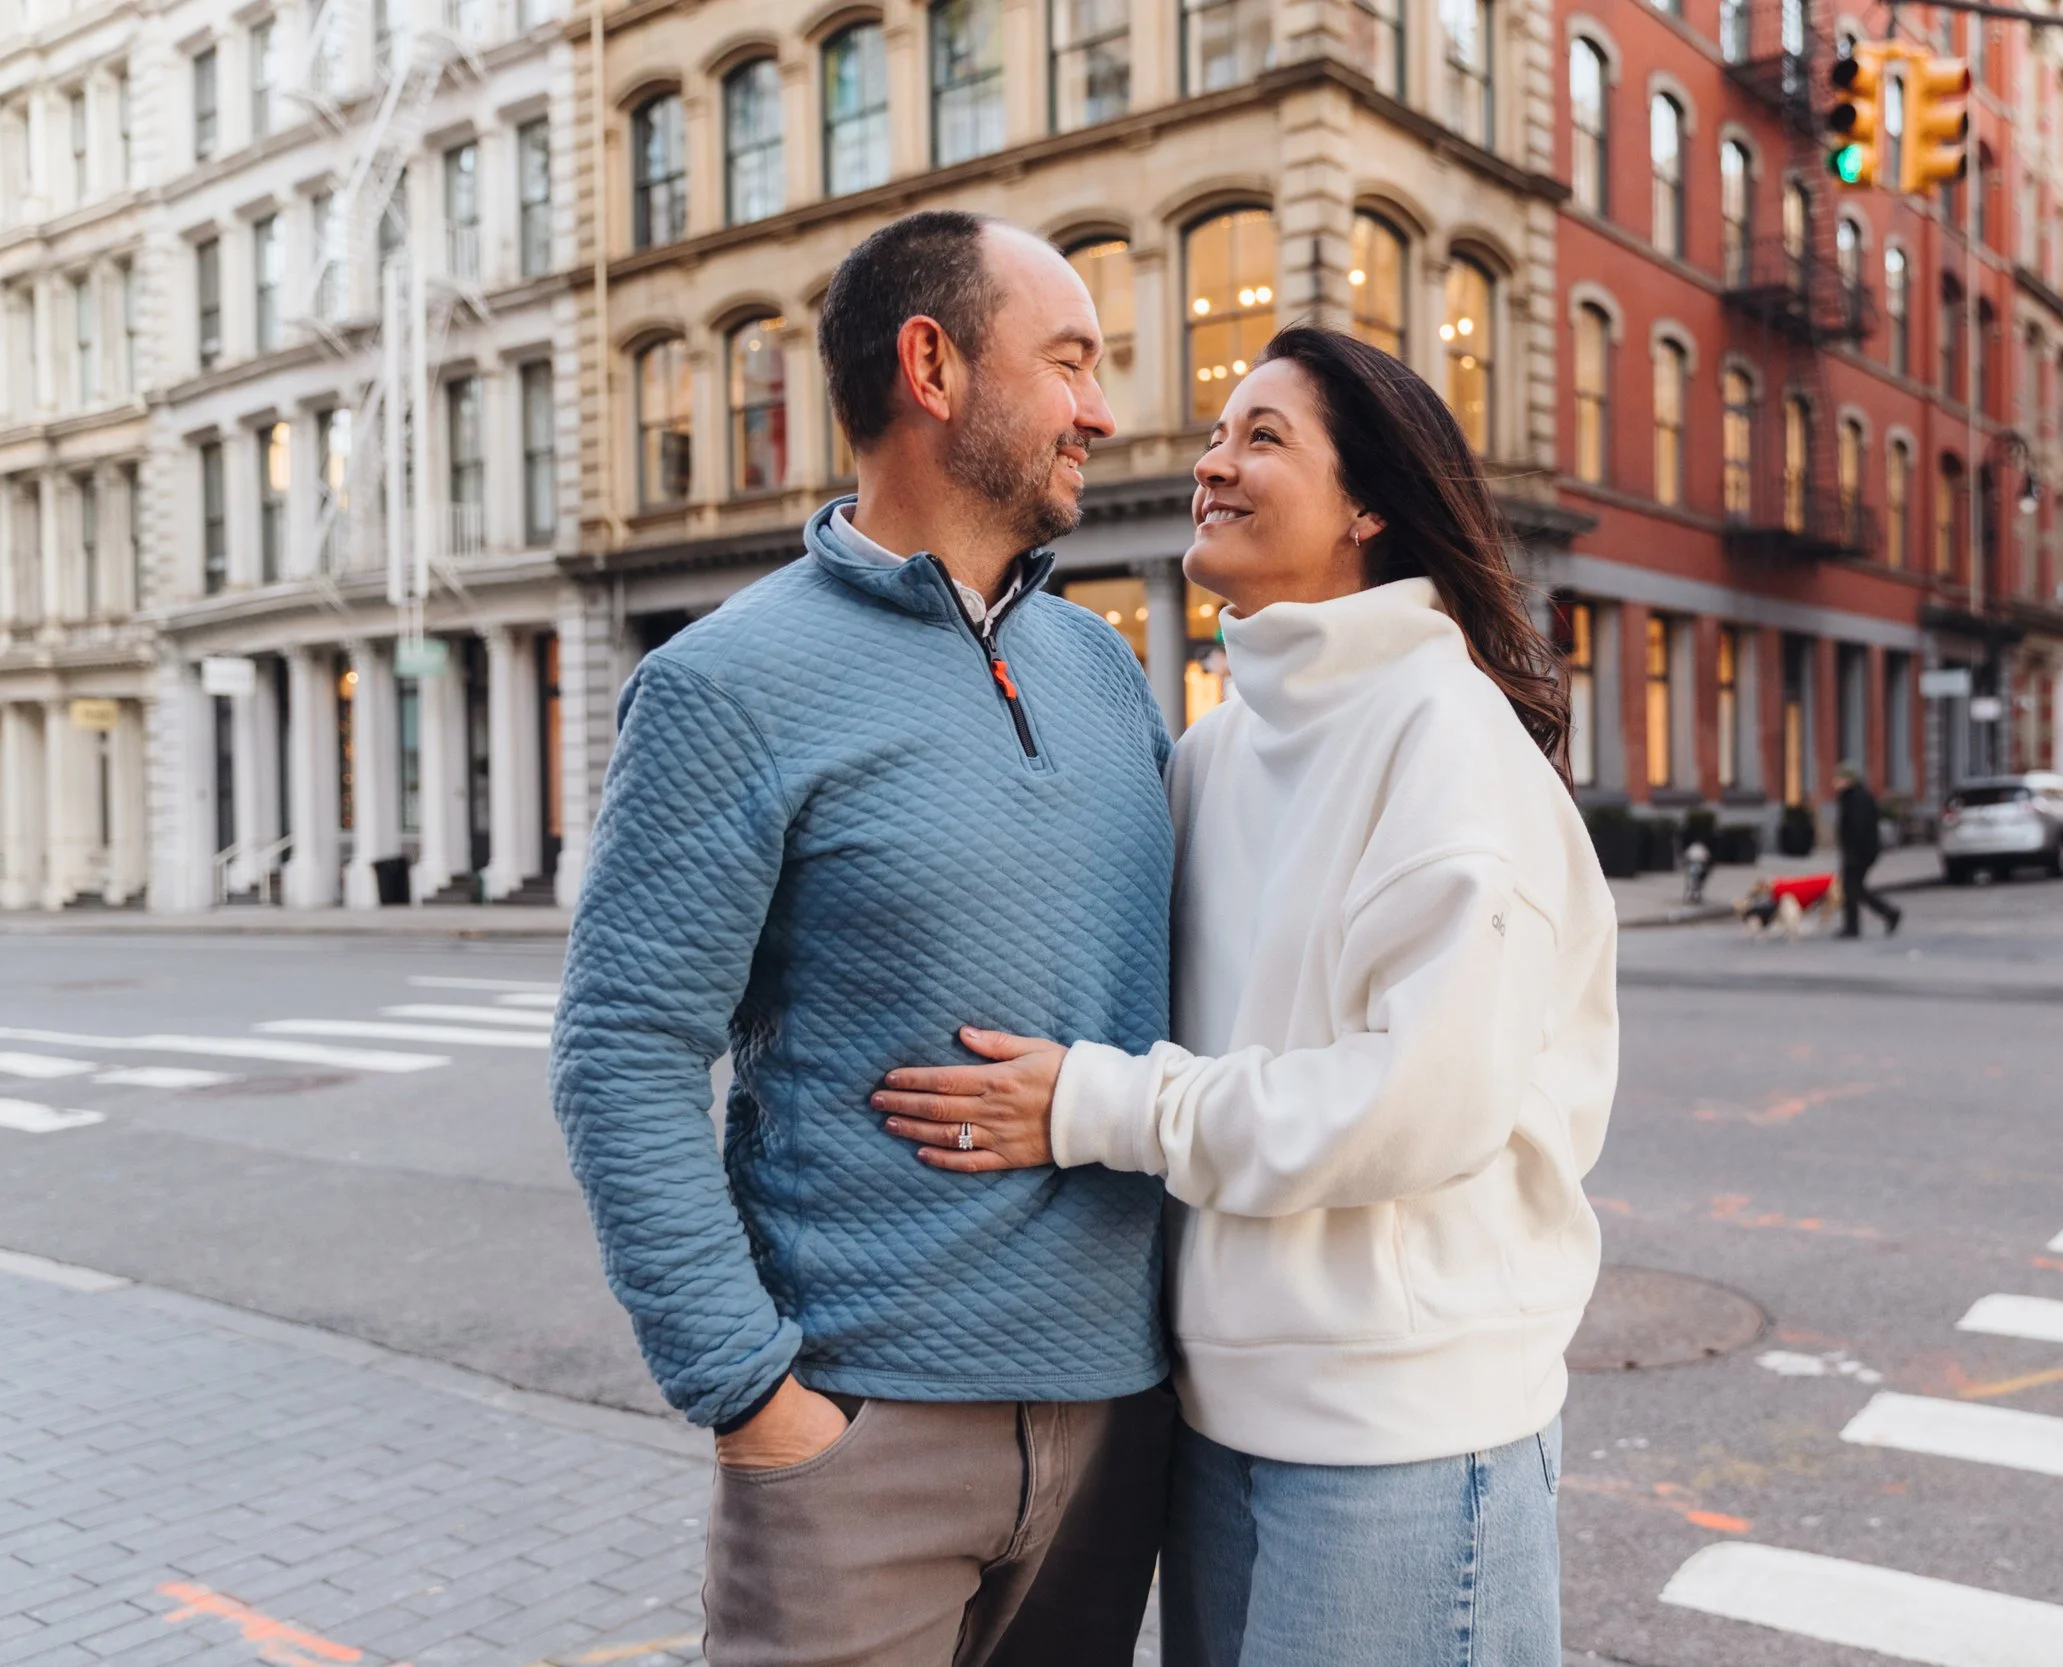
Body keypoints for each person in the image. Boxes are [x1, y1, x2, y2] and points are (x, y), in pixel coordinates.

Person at [870, 325, 1620, 1667]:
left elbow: (1417, 1104)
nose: (1211, 463)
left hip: (1402, 1432)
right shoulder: (1215, 751)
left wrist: (1094, 1104)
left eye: (1262, 437)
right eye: (1216, 434)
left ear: (1369, 502)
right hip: (1217, 1416)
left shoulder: (1444, 737)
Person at [548, 210, 1178, 1667]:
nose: (1100, 409)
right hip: (860, 1442)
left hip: (1118, 1426)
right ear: (932, 367)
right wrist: (751, 1394)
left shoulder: (1102, 668)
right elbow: (622, 1054)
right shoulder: (724, 683)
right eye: (1069, 361)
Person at [1835, 762, 1900, 938]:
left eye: (1840, 778)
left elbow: (1858, 828)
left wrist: (1852, 854)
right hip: (1859, 851)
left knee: (1852, 888)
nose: (1836, 781)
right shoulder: (1851, 796)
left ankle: (1858, 924)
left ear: (1849, 779)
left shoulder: (1857, 798)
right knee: (1853, 888)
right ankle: (1883, 915)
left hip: (1860, 852)